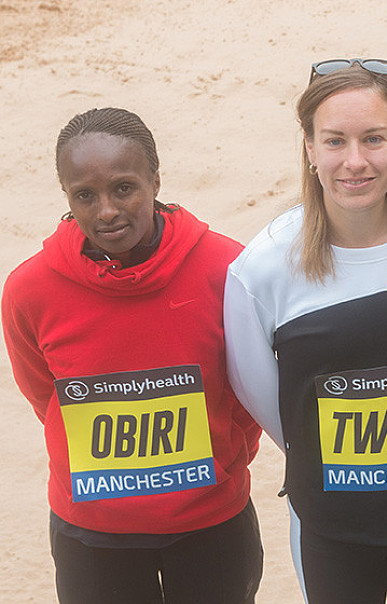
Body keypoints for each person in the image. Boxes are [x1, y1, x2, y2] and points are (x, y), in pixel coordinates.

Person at [223, 58, 387, 604]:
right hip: (331, 528)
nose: (355, 161)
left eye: (374, 139)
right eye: (335, 141)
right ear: (310, 149)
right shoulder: (262, 268)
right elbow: (262, 395)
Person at [1, 107, 263, 603]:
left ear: (155, 180)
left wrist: (218, 465)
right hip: (92, 534)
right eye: (85, 195)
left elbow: (250, 392)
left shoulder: (227, 269)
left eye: (124, 188)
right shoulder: (29, 290)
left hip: (211, 524)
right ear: (67, 196)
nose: (106, 211)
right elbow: (44, 396)